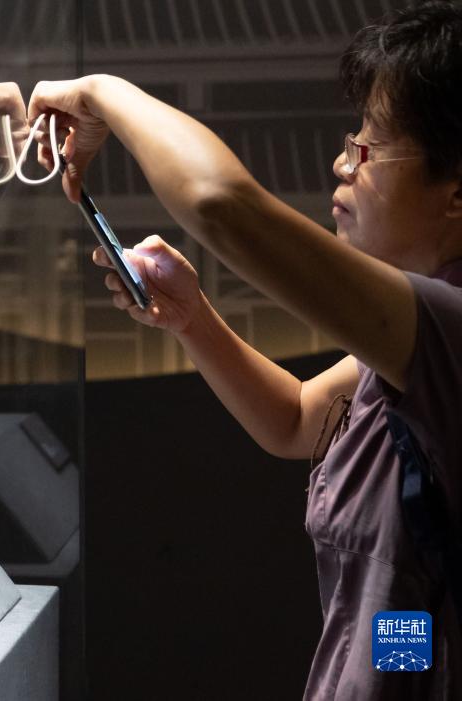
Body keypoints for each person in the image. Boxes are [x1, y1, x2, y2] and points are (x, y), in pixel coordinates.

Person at [28, 2, 462, 698]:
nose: (341, 163)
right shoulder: (408, 348)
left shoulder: (449, 330)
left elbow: (218, 202)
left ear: (456, 191)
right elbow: (296, 417)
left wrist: (100, 93)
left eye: (369, 148)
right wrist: (192, 318)